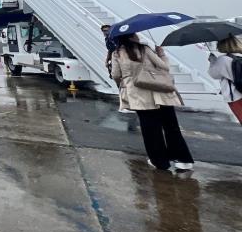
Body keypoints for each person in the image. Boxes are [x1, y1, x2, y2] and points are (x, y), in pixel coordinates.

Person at [111, 33, 194, 171]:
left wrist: (123, 82)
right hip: (159, 91)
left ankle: (160, 162)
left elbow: (115, 75)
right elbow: (164, 67)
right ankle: (183, 160)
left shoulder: (117, 54)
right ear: (132, 37)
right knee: (171, 126)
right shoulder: (145, 49)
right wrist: (161, 54)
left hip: (138, 94)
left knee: (150, 130)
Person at [208, 36, 242, 125]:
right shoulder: (240, 56)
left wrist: (212, 61)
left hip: (235, 96)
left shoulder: (223, 60)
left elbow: (213, 74)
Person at [102, 24, 129, 112]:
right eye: (104, 31)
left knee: (121, 77)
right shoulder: (107, 39)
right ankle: (122, 94)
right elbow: (110, 50)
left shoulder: (116, 37)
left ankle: (126, 98)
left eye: (107, 30)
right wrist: (107, 60)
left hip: (122, 57)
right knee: (115, 76)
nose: (106, 32)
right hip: (114, 58)